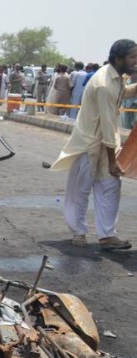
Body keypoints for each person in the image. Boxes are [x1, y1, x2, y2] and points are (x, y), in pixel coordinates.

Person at [50, 39, 137, 250]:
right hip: (88, 144)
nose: (136, 61)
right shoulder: (104, 84)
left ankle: (107, 235)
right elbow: (108, 126)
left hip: (104, 142)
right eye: (132, 57)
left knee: (110, 185)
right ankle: (78, 231)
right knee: (80, 189)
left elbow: (122, 95)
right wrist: (112, 161)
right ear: (118, 59)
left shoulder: (116, 78)